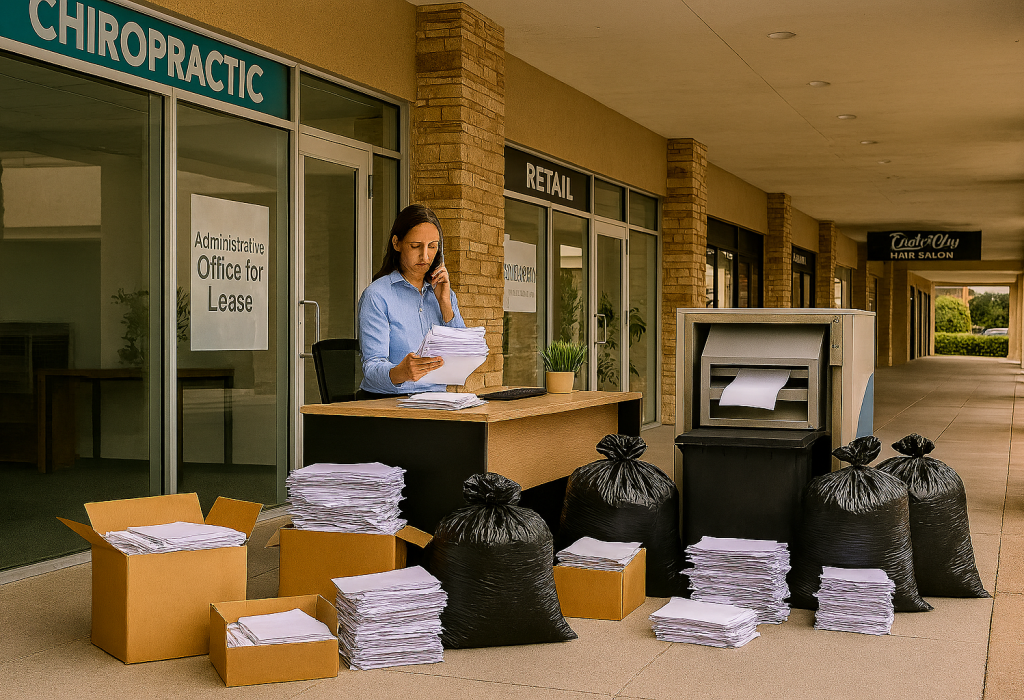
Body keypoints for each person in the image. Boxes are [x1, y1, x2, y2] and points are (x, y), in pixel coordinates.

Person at [357, 204, 465, 397]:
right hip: (389, 403)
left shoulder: (444, 294)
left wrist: (445, 304)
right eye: (415, 246)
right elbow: (371, 369)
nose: (425, 256)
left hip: (436, 400)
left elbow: (463, 356)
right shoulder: (377, 295)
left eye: (432, 246)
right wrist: (402, 372)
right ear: (396, 243)